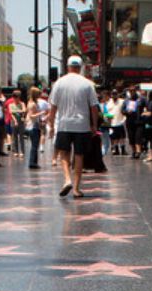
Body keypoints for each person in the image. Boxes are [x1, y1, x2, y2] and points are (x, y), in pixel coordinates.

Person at [47, 55, 99, 198]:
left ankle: (67, 179)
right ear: (80, 67)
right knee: (79, 155)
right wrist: (94, 125)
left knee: (64, 153)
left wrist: (51, 125)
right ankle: (76, 188)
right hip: (82, 125)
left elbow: (53, 107)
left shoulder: (59, 83)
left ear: (68, 67)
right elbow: (94, 107)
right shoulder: (87, 84)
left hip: (64, 124)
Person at [24, 87, 45, 170]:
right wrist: (41, 113)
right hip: (33, 126)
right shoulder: (32, 104)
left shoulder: (32, 103)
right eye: (39, 94)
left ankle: (34, 162)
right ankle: (32, 162)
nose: (40, 95)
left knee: (35, 145)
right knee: (34, 145)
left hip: (34, 125)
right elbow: (31, 116)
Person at [124, 88, 143, 159]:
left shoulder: (141, 99)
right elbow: (122, 110)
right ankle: (134, 152)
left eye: (133, 91)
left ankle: (138, 152)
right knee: (131, 138)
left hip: (138, 122)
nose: (132, 92)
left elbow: (146, 107)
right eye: (130, 91)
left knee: (138, 137)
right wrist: (126, 112)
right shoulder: (126, 100)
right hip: (130, 122)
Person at [8, 91, 27, 158]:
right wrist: (15, 119)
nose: (17, 99)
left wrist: (16, 111)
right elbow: (11, 113)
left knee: (21, 137)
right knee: (14, 137)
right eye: (15, 98)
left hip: (21, 121)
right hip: (14, 121)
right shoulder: (10, 105)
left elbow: (24, 110)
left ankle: (22, 151)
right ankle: (16, 151)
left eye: (18, 97)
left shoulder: (22, 103)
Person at [109, 91, 128, 156]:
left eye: (115, 94)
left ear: (117, 95)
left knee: (122, 137)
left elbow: (125, 109)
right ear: (111, 95)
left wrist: (124, 119)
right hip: (112, 123)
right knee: (114, 138)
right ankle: (116, 150)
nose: (114, 96)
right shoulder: (109, 102)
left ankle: (123, 150)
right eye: (113, 94)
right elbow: (106, 112)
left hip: (120, 122)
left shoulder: (122, 101)